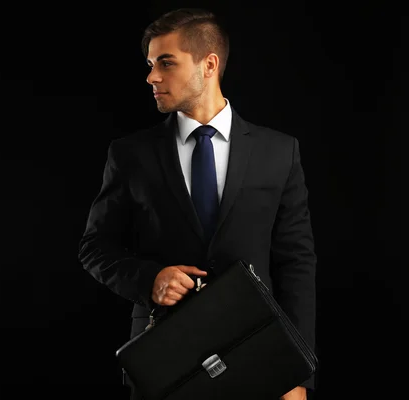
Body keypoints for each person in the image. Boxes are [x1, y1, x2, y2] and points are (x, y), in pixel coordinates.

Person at [78, 7, 316, 400]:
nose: (151, 76)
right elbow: (93, 247)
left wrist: (297, 371)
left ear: (209, 64)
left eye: (166, 63)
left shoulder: (279, 151)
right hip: (165, 358)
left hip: (259, 351)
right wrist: (149, 279)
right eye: (150, 64)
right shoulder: (130, 154)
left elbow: (296, 264)